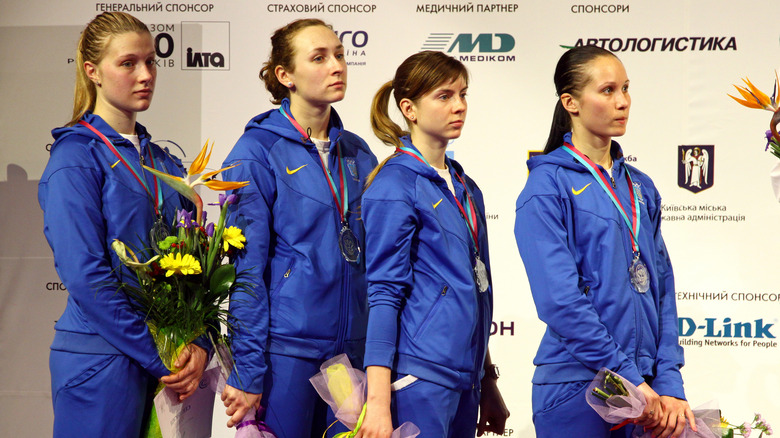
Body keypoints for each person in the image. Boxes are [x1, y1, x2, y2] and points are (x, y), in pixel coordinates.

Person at [38, 11, 207, 438]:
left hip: (169, 363)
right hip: (102, 358)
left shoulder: (163, 162)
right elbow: (85, 274)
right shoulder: (75, 157)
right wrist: (160, 353)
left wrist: (199, 344)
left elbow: (197, 266)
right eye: (128, 63)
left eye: (151, 61)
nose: (145, 74)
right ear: (92, 72)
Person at [514, 45, 694, 438]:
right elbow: (561, 301)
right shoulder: (546, 187)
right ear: (571, 102)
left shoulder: (641, 186)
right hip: (579, 386)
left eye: (626, 89)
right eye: (608, 90)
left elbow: (662, 290)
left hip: (645, 390)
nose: (623, 101)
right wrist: (627, 376)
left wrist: (668, 383)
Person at [219, 18, 378, 437]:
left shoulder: (358, 153)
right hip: (286, 356)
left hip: (349, 359)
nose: (337, 66)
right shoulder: (256, 152)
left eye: (340, 55)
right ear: (284, 76)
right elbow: (246, 273)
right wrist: (249, 370)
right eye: (319, 57)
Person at [357, 51, 509, 438]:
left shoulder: (465, 186)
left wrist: (487, 381)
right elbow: (384, 296)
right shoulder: (394, 185)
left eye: (463, 94)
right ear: (409, 108)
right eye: (444, 96)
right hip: (418, 379)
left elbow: (477, 290)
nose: (459, 106)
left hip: (465, 381)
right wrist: (376, 404)